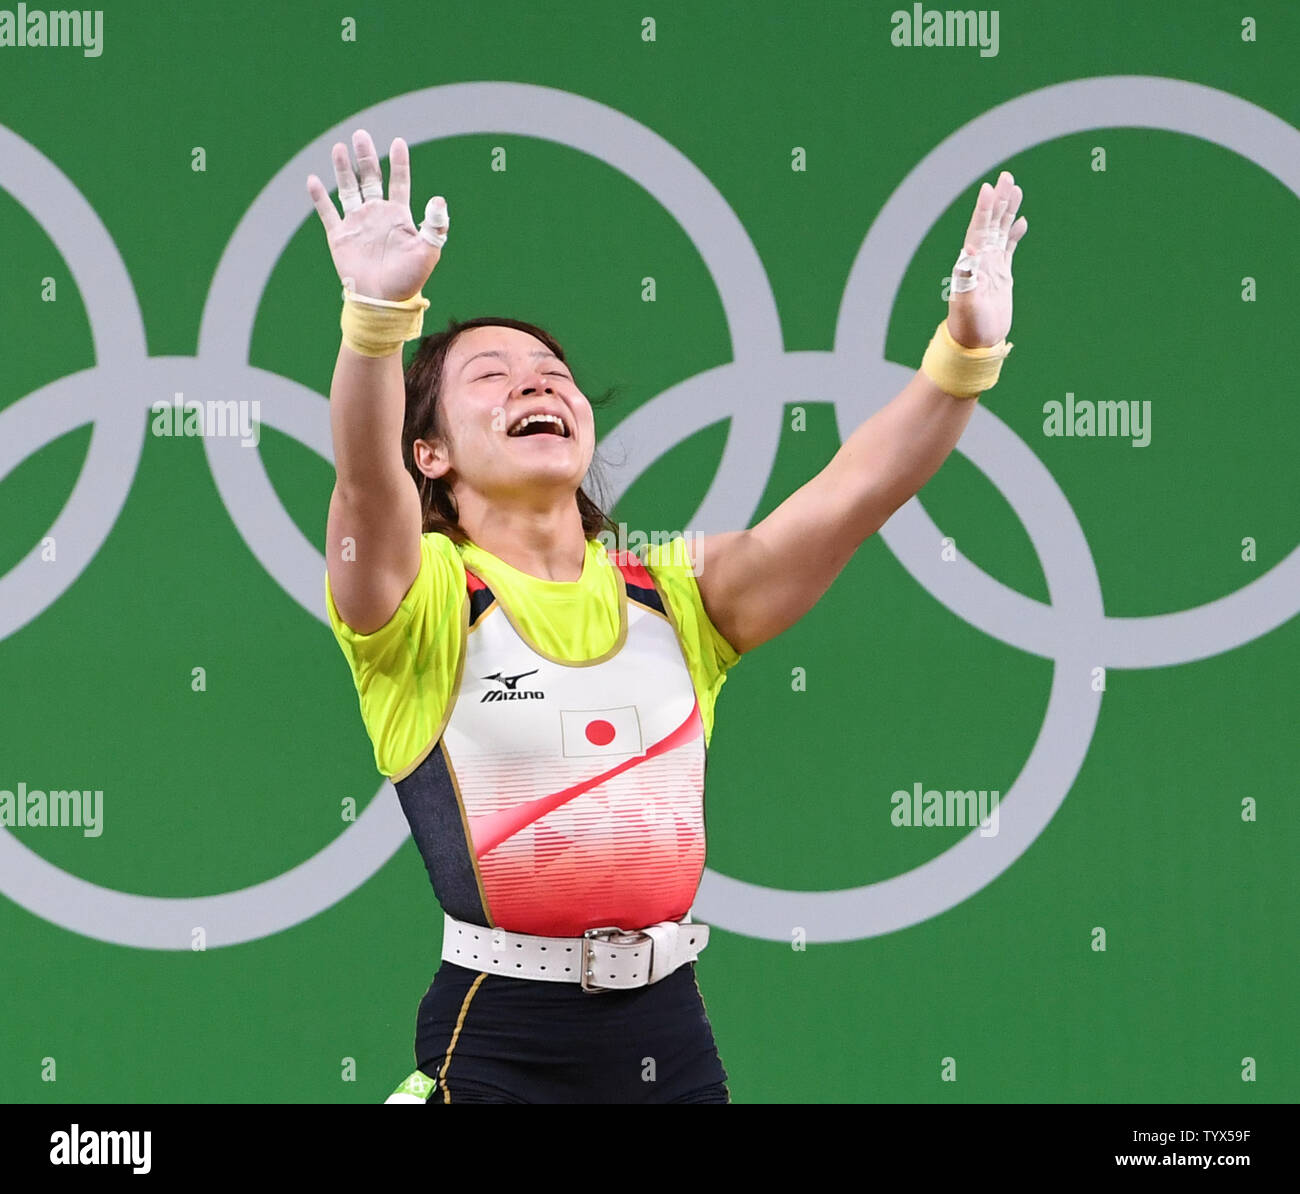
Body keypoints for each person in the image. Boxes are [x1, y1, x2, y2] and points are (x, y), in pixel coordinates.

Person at [306, 129, 1027, 1104]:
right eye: (491, 375)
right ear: (429, 453)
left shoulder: (679, 597)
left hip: (668, 1035)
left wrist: (965, 354)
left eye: (552, 372)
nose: (536, 381)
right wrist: (377, 320)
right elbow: (362, 487)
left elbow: (855, 494)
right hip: (502, 1035)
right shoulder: (422, 601)